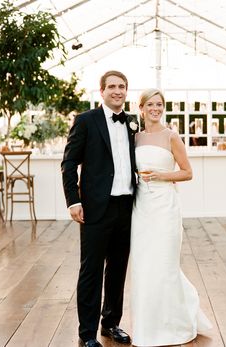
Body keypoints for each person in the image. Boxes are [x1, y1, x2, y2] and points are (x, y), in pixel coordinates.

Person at [130, 88, 212, 346]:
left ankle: (174, 324)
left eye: (159, 104)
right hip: (141, 207)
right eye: (150, 104)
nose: (155, 108)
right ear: (141, 107)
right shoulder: (134, 138)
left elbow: (188, 173)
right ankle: (147, 327)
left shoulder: (172, 136)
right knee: (144, 266)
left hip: (165, 206)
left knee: (165, 264)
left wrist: (161, 175)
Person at [61, 70, 137, 347]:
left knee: (117, 270)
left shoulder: (131, 122)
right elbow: (69, 163)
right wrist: (74, 200)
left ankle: (111, 324)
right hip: (94, 208)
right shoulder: (85, 121)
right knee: (91, 270)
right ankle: (86, 334)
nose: (118, 91)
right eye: (112, 87)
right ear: (102, 91)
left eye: (122, 87)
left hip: (127, 205)